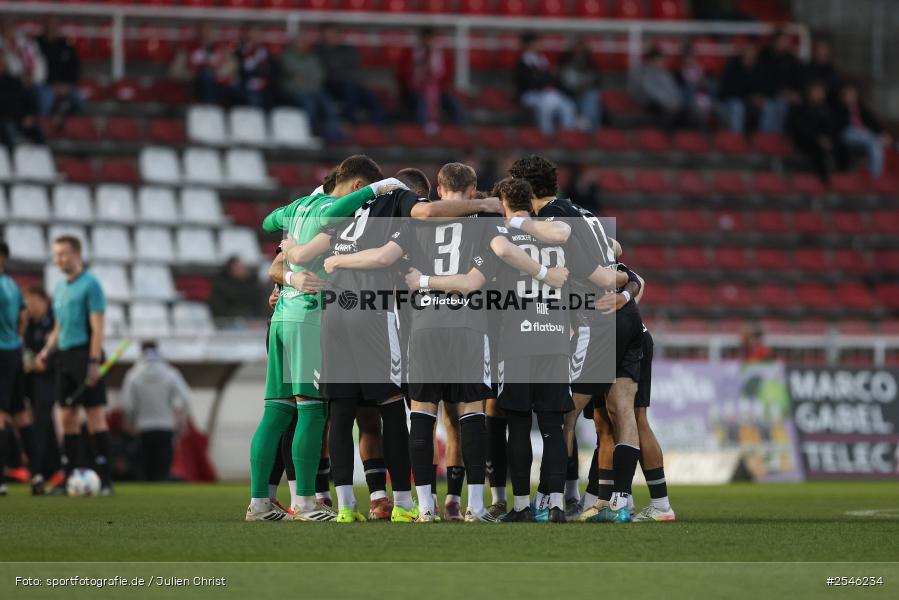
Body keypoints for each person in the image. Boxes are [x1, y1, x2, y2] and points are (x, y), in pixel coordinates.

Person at [248, 155, 411, 522]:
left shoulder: (297, 207)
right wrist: (381, 188)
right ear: (355, 187)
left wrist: (289, 270)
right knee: (312, 410)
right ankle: (305, 502)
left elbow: (267, 221)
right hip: (310, 316)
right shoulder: (332, 212)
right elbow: (328, 224)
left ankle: (260, 502)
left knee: (276, 410)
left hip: (281, 316)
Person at [403, 174, 571, 523]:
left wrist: (421, 281)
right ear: (474, 188)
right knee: (472, 416)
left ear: (438, 187)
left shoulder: (414, 220)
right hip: (468, 327)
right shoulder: (485, 222)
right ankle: (476, 507)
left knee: (422, 416)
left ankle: (423, 508)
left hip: (423, 327)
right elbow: (477, 277)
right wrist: (545, 272)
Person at [34, 236, 112, 495]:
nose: (59, 259)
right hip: (63, 357)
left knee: (94, 416)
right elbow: (58, 328)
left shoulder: (91, 285)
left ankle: (105, 480)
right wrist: (46, 351)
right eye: (56, 255)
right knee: (67, 417)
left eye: (64, 254)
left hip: (84, 354)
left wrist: (93, 360)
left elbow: (97, 326)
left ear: (77, 253)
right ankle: (69, 477)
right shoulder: (58, 288)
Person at [120, 341, 191, 482]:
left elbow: (127, 404)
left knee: (146, 472)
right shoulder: (171, 373)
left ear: (141, 351)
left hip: (143, 429)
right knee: (163, 472)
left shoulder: (133, 375)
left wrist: (131, 421)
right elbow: (185, 398)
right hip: (165, 427)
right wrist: (182, 422)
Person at [21, 285, 62, 495]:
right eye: (28, 302)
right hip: (32, 381)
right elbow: (25, 349)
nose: (30, 306)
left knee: (40, 424)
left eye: (33, 302)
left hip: (49, 380)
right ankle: (56, 471)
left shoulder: (53, 322)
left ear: (44, 301)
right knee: (45, 427)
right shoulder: (28, 325)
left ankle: (38, 471)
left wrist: (46, 363)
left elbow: (59, 347)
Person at [0, 240, 29, 496]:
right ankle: (39, 472)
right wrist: (17, 338)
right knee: (20, 414)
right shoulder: (12, 285)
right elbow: (24, 315)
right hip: (13, 351)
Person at [278, 35, 343, 142]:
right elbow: (293, 75)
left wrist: (304, 78)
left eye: (304, 43)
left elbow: (319, 75)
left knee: (329, 104)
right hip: (295, 91)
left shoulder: (313, 57)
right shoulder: (286, 57)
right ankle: (313, 132)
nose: (302, 45)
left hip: (314, 89)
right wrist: (305, 78)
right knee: (309, 105)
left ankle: (333, 134)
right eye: (299, 43)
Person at [315, 24, 384, 124]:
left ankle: (371, 130)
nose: (330, 37)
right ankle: (351, 123)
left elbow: (354, 69)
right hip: (331, 85)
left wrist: (343, 73)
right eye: (328, 34)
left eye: (333, 34)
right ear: (322, 35)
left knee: (375, 104)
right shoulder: (319, 52)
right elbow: (326, 72)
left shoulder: (348, 49)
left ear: (338, 35)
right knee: (349, 89)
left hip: (353, 84)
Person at [398, 28, 463, 133]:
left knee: (455, 104)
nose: (428, 41)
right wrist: (413, 85)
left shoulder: (441, 54)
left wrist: (438, 87)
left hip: (438, 90)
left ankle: (455, 133)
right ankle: (421, 132)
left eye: (430, 38)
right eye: (426, 38)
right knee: (423, 102)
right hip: (415, 90)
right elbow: (403, 74)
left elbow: (447, 75)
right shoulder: (410, 53)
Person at [515, 33, 576, 136]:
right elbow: (528, 82)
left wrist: (546, 77)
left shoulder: (542, 59)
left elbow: (550, 79)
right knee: (547, 105)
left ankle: (567, 136)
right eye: (537, 42)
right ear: (529, 44)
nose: (540, 44)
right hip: (530, 95)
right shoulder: (522, 61)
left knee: (568, 106)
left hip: (546, 93)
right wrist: (546, 76)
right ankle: (546, 135)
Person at [786, 80, 844, 183]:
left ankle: (843, 177)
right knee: (817, 149)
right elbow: (801, 128)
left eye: (821, 92)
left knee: (842, 145)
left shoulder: (827, 109)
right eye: (816, 91)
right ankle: (825, 180)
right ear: (809, 93)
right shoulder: (800, 108)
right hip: (806, 140)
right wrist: (818, 138)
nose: (819, 94)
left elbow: (832, 127)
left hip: (824, 140)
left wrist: (828, 139)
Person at [835, 84, 889, 178]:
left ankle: (875, 178)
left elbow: (873, 122)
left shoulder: (862, 108)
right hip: (847, 136)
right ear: (842, 97)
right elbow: (838, 127)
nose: (851, 98)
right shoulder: (838, 109)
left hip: (864, 138)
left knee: (875, 144)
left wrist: (882, 133)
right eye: (848, 95)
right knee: (863, 134)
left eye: (853, 95)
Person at [36, 17, 81, 127]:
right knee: (46, 97)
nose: (51, 28)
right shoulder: (37, 44)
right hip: (44, 84)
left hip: (65, 85)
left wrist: (66, 85)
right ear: (44, 27)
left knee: (78, 99)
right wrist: (51, 85)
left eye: (54, 25)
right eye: (49, 25)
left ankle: (65, 121)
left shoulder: (66, 46)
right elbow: (37, 68)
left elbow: (74, 69)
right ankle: (43, 125)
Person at [717, 43, 770, 135]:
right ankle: (737, 137)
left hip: (753, 101)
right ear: (742, 54)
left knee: (769, 105)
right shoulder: (732, 67)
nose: (750, 55)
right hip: (732, 100)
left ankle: (768, 138)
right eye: (748, 53)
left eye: (753, 53)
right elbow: (728, 90)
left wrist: (760, 96)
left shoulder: (760, 68)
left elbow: (765, 86)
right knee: (737, 106)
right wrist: (749, 97)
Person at [0, 20, 50, 117]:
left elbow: (36, 63)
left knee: (45, 95)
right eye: (5, 29)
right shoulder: (2, 46)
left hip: (30, 82)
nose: (9, 31)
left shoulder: (25, 44)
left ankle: (37, 123)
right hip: (8, 83)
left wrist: (31, 79)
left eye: (11, 28)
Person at [757, 29, 802, 133]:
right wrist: (781, 92)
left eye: (787, 41)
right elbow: (763, 79)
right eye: (782, 40)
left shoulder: (791, 59)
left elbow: (797, 79)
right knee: (771, 106)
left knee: (784, 104)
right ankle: (767, 138)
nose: (785, 43)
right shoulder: (764, 56)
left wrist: (795, 93)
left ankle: (779, 139)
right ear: (775, 41)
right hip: (767, 94)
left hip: (784, 95)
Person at [632, 47, 685, 130]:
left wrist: (677, 103)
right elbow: (651, 93)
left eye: (662, 60)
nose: (661, 63)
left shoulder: (666, 74)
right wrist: (668, 104)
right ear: (651, 61)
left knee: (689, 113)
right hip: (653, 105)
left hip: (671, 106)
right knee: (665, 112)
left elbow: (674, 91)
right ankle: (664, 137)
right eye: (659, 60)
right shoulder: (645, 74)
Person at [186, 23, 239, 105]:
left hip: (219, 82)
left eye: (209, 32)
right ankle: (209, 107)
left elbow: (232, 66)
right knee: (205, 75)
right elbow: (179, 71)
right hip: (198, 82)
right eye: (203, 32)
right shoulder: (191, 49)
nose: (206, 35)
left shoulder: (221, 48)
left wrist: (217, 72)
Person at [0, 53, 45, 149]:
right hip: (4, 122)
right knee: (7, 128)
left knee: (38, 132)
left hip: (21, 120)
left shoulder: (15, 82)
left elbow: (30, 101)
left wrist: (30, 115)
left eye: (2, 62)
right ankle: (12, 159)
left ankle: (41, 160)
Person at [558, 38, 602, 132]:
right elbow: (561, 81)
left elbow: (595, 82)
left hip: (585, 94)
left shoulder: (591, 63)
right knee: (567, 107)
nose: (580, 50)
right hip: (567, 94)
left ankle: (593, 134)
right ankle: (569, 136)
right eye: (578, 48)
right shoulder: (565, 61)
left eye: (582, 48)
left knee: (592, 98)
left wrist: (583, 87)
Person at [208, 256, 266, 321]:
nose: (241, 270)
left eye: (242, 267)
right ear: (230, 270)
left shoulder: (252, 284)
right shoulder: (221, 286)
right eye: (237, 268)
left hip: (251, 320)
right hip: (228, 321)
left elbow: (259, 305)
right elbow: (219, 309)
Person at [235, 25, 274, 109]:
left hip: (264, 86)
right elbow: (242, 70)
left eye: (259, 34)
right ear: (248, 35)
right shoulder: (240, 51)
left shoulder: (265, 51)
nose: (256, 36)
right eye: (254, 33)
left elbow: (269, 70)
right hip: (244, 85)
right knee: (254, 97)